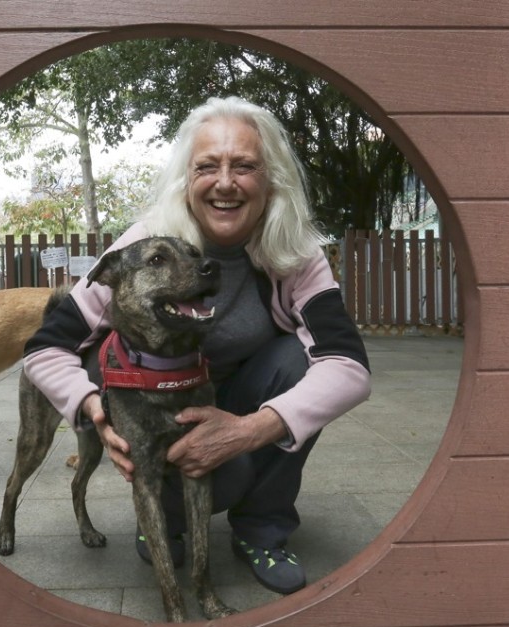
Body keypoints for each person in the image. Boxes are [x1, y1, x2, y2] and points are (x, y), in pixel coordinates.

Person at [23, 96, 371, 595]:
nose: (225, 183)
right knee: (128, 392)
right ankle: (162, 519)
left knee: (297, 362)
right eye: (207, 166)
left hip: (245, 400)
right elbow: (44, 348)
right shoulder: (147, 244)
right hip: (160, 408)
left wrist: (250, 430)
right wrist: (92, 407)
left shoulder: (294, 250)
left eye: (244, 166)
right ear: (186, 178)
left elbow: (348, 365)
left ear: (271, 179)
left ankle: (262, 528)